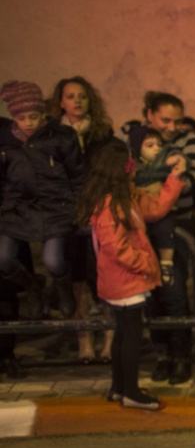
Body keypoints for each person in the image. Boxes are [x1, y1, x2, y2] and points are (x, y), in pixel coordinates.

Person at [81, 140, 185, 410]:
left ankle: (119, 388)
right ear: (120, 167)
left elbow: (155, 208)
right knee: (131, 335)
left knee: (123, 332)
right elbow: (116, 247)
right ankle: (131, 392)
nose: (134, 164)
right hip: (124, 279)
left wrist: (174, 180)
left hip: (124, 278)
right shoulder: (110, 204)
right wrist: (146, 263)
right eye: (129, 161)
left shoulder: (126, 195)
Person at [124, 91, 195, 385]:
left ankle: (182, 355)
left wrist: (158, 185)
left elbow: (193, 180)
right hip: (141, 228)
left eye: (177, 121)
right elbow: (123, 175)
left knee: (174, 292)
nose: (172, 127)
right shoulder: (133, 139)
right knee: (151, 295)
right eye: (166, 120)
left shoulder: (187, 141)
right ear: (150, 115)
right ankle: (162, 355)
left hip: (176, 226)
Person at [47, 76, 121, 364]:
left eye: (82, 96)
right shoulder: (52, 136)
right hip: (68, 214)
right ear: (61, 102)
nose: (77, 101)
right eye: (70, 96)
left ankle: (110, 340)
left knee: (104, 275)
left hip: (99, 212)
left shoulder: (102, 135)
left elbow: (111, 170)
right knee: (77, 278)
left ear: (91, 101)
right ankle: (85, 340)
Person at [0, 81, 86, 321]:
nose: (28, 123)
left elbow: (77, 174)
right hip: (17, 207)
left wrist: (78, 205)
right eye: (21, 118)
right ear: (13, 118)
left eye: (34, 116)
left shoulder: (61, 137)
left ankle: (63, 288)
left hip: (54, 206)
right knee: (3, 259)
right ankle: (32, 287)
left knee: (53, 261)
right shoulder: (6, 141)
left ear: (43, 114)